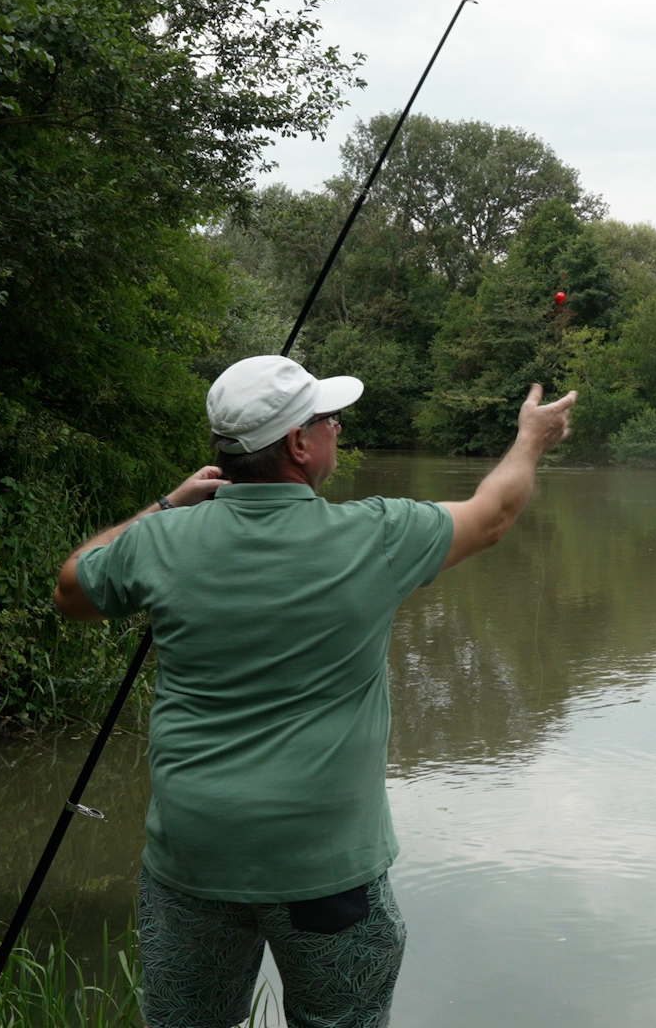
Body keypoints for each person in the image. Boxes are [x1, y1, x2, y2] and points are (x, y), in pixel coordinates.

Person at [51, 354, 576, 1028]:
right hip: (326, 873)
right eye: (328, 420)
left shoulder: (161, 541)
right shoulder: (374, 536)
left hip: (193, 861)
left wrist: (166, 505)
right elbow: (495, 514)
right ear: (299, 445)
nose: (337, 431)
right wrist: (531, 439)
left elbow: (71, 590)